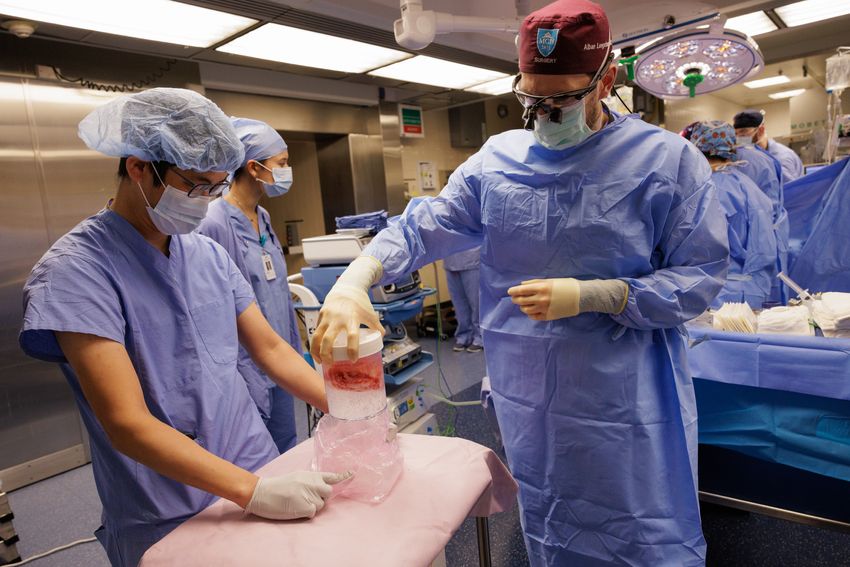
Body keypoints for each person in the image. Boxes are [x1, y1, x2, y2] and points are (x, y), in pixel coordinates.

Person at [310, 1, 729, 564]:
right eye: (532, 99)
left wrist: (600, 295)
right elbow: (424, 226)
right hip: (530, 395)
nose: (544, 114)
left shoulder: (667, 161)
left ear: (606, 81)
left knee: (639, 530)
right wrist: (355, 279)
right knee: (550, 519)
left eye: (562, 100)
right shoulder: (497, 161)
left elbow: (700, 275)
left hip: (625, 399)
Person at [18, 88, 348, 567]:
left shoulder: (206, 253)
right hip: (166, 499)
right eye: (195, 187)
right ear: (139, 168)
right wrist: (251, 491)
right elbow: (126, 422)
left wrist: (349, 409)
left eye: (217, 188)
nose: (206, 202)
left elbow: (271, 349)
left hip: (252, 457)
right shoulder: (76, 271)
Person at [197, 117, 301, 453]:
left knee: (286, 445)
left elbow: (278, 292)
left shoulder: (264, 217)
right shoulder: (212, 223)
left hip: (280, 354)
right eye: (281, 163)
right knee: (253, 455)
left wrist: (295, 351)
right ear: (254, 167)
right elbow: (210, 309)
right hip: (245, 366)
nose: (286, 171)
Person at [688, 121, 779, 308]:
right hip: (754, 291)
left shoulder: (708, 192)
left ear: (697, 151)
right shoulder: (749, 187)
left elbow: (698, 252)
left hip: (716, 295)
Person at [734, 108, 803, 182]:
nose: (739, 138)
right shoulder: (750, 156)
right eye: (736, 133)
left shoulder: (781, 158)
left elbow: (789, 187)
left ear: (761, 130)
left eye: (743, 132)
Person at [443, 247, 483, 352]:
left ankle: (480, 337)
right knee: (459, 303)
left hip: (472, 258)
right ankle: (464, 335)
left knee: (476, 302)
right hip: (450, 259)